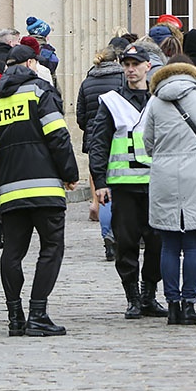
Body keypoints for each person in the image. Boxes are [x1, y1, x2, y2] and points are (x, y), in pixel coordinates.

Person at [0, 43, 79, 337]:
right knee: (51, 248)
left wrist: (3, 179)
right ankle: (38, 313)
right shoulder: (39, 93)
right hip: (45, 187)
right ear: (32, 65)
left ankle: (15, 317)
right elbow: (58, 137)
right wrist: (69, 174)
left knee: (11, 252)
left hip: (11, 192)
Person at [144, 56, 196, 325]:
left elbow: (148, 144)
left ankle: (171, 305)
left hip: (164, 177)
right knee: (194, 245)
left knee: (169, 245)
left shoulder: (155, 103)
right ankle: (189, 304)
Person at [89, 44, 169, 320]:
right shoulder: (111, 101)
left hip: (157, 185)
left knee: (157, 243)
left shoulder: (160, 99)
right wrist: (100, 181)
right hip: (124, 185)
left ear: (148, 66)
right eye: (127, 64)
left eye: (136, 64)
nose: (131, 69)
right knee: (127, 245)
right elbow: (99, 142)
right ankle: (132, 298)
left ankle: (149, 295)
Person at [76, 45, 124, 260]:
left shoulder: (87, 81)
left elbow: (80, 115)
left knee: (102, 184)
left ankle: (107, 232)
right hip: (120, 137)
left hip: (95, 136)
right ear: (117, 61)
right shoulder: (122, 79)